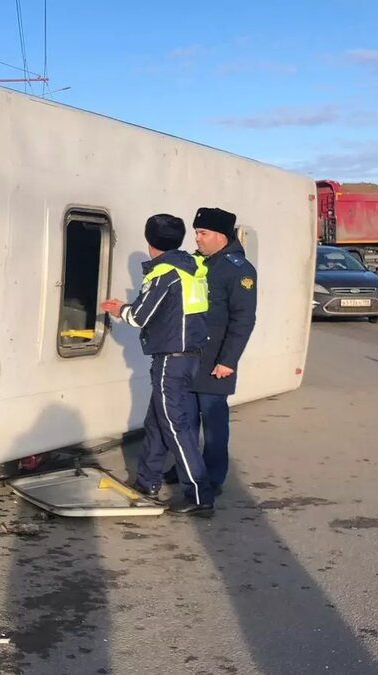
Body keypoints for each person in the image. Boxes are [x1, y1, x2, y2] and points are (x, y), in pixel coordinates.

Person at [102, 214, 214, 516]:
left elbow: (139, 316)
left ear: (151, 243)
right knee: (157, 421)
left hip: (171, 359)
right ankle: (147, 481)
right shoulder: (193, 269)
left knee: (176, 427)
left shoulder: (165, 273)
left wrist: (118, 309)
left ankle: (199, 495)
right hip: (190, 355)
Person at [182, 207, 257, 496]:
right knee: (184, 422)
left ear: (221, 237)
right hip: (188, 357)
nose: (197, 239)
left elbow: (243, 319)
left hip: (216, 361)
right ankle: (186, 469)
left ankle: (213, 476)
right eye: (196, 233)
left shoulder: (239, 270)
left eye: (202, 233)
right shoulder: (197, 263)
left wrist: (228, 361)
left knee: (213, 426)